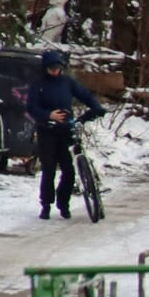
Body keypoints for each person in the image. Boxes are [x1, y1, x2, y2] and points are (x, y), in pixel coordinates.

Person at [26, 49, 102, 220]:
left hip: (66, 130)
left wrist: (96, 107)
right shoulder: (38, 84)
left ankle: (64, 203)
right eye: (51, 68)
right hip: (47, 130)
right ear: (45, 68)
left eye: (57, 67)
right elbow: (31, 107)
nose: (55, 71)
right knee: (49, 169)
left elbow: (85, 95)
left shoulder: (67, 82)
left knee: (68, 170)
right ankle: (46, 205)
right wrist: (48, 115)